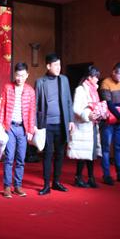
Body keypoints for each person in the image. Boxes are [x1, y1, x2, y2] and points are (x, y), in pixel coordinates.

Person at [35, 53, 75, 195]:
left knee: (60, 154)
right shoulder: (40, 82)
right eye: (56, 65)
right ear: (48, 66)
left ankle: (56, 182)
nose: (59, 68)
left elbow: (69, 101)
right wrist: (35, 124)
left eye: (59, 65)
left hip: (61, 124)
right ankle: (46, 185)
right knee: (47, 154)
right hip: (46, 125)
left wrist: (71, 120)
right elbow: (36, 104)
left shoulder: (64, 80)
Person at [0, 62, 36, 198]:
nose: (19, 78)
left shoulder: (30, 91)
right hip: (10, 127)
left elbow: (32, 111)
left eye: (22, 75)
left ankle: (17, 186)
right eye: (17, 75)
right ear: (14, 74)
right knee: (9, 157)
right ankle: (7, 186)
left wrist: (30, 130)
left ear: (27, 75)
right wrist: (0, 124)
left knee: (21, 158)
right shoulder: (8, 87)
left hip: (23, 128)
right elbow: (2, 106)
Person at [68, 66, 106, 189]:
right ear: (89, 77)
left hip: (92, 125)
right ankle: (78, 177)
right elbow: (76, 108)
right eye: (96, 77)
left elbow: (95, 106)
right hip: (83, 125)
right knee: (82, 153)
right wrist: (88, 115)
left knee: (92, 152)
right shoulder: (80, 89)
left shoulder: (94, 90)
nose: (97, 79)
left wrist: (100, 112)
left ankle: (91, 177)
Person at [99, 62, 120, 185]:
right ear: (113, 72)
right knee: (106, 148)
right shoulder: (105, 83)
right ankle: (106, 175)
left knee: (119, 147)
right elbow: (108, 104)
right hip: (108, 120)